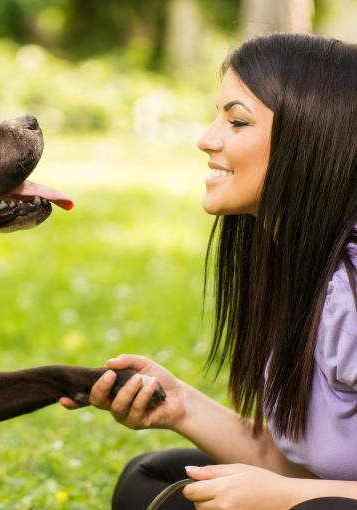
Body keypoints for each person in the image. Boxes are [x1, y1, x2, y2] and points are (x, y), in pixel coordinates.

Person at [60, 33, 357, 509]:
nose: (207, 138)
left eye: (237, 121)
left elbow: (303, 487)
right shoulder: (295, 266)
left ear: (311, 137)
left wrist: (286, 498)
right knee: (150, 480)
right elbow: (304, 463)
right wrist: (181, 405)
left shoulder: (350, 292)